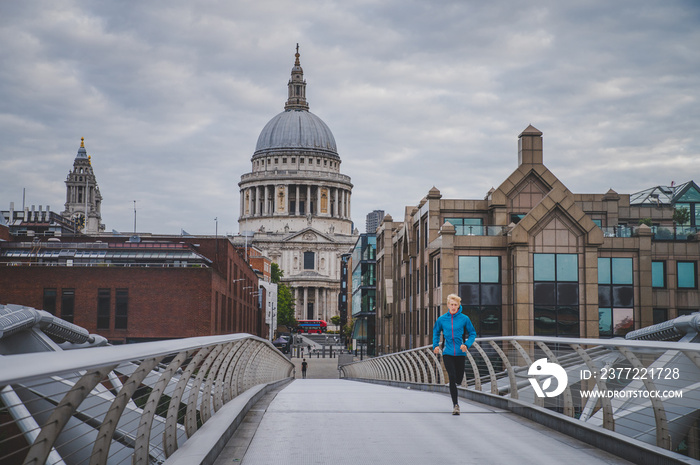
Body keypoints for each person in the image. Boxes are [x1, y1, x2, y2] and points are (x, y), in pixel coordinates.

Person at [433, 293, 477, 415]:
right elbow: (436, 332)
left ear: (458, 306)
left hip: (460, 353)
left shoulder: (464, 319)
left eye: (455, 305)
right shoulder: (442, 319)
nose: (453, 307)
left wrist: (466, 344)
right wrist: (435, 345)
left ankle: (456, 385)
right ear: (448, 305)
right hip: (447, 352)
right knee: (452, 377)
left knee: (458, 378)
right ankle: (455, 405)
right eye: (451, 304)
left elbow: (473, 333)